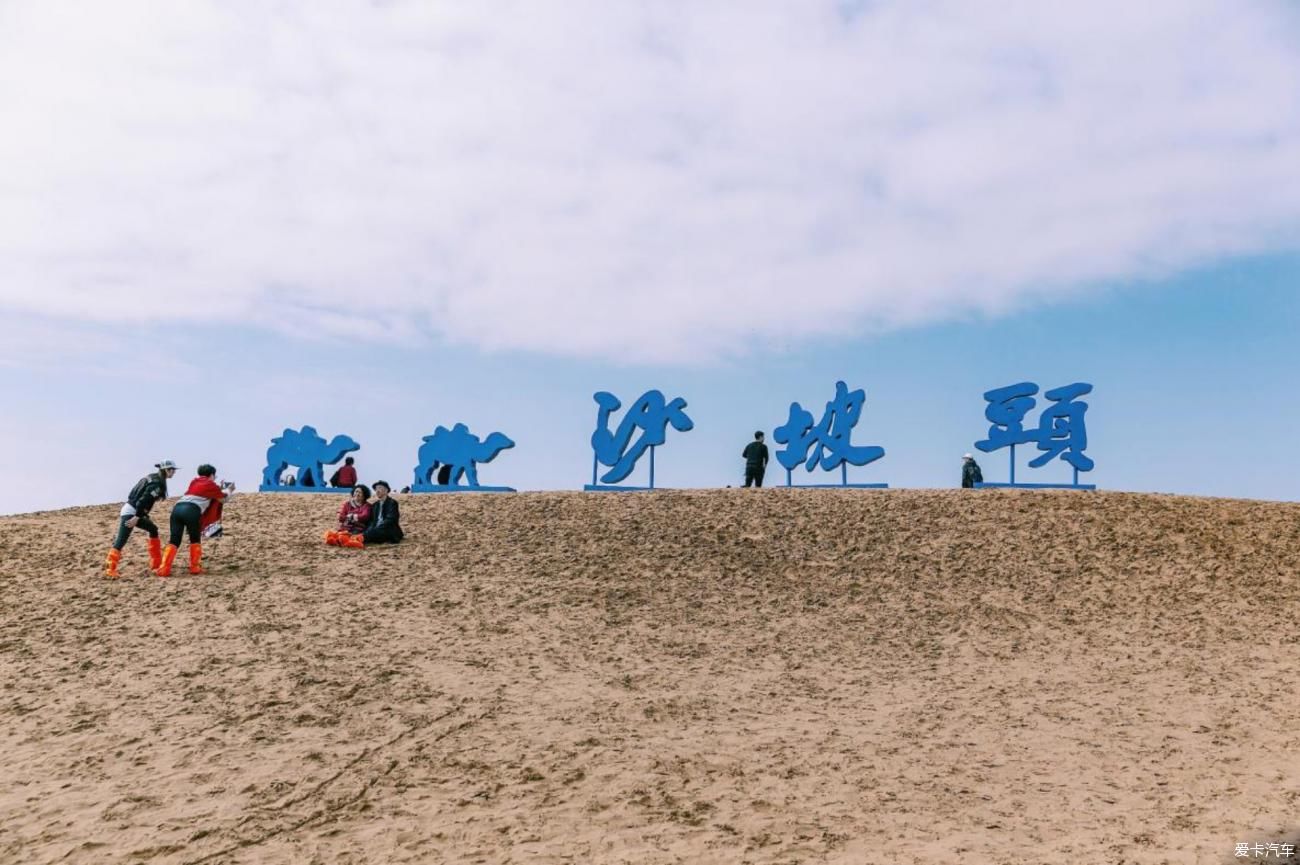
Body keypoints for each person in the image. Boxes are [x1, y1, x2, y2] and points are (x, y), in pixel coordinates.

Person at [103, 460, 178, 578]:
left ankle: (156, 563)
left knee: (153, 529)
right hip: (131, 513)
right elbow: (143, 501)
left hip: (134, 511)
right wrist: (137, 517)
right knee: (121, 540)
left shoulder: (152, 477)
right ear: (166, 470)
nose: (174, 473)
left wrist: (142, 515)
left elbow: (135, 494)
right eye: (173, 470)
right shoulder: (157, 484)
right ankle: (110, 569)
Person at [154, 464, 233, 576]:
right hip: (192, 510)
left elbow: (203, 492)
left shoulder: (194, 482)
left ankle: (164, 569)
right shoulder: (211, 484)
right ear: (211, 475)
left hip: (177, 509)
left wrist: (218, 488)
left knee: (174, 540)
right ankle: (195, 567)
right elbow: (223, 499)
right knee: (194, 539)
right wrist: (229, 490)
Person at [340, 480, 402, 547]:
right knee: (367, 533)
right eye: (376, 489)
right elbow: (372, 521)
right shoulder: (375, 505)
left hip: (388, 530)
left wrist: (377, 528)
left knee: (369, 534)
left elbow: (391, 520)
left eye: (380, 488)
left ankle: (353, 541)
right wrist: (369, 530)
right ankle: (351, 540)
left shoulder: (392, 503)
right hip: (376, 530)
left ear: (386, 490)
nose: (377, 491)